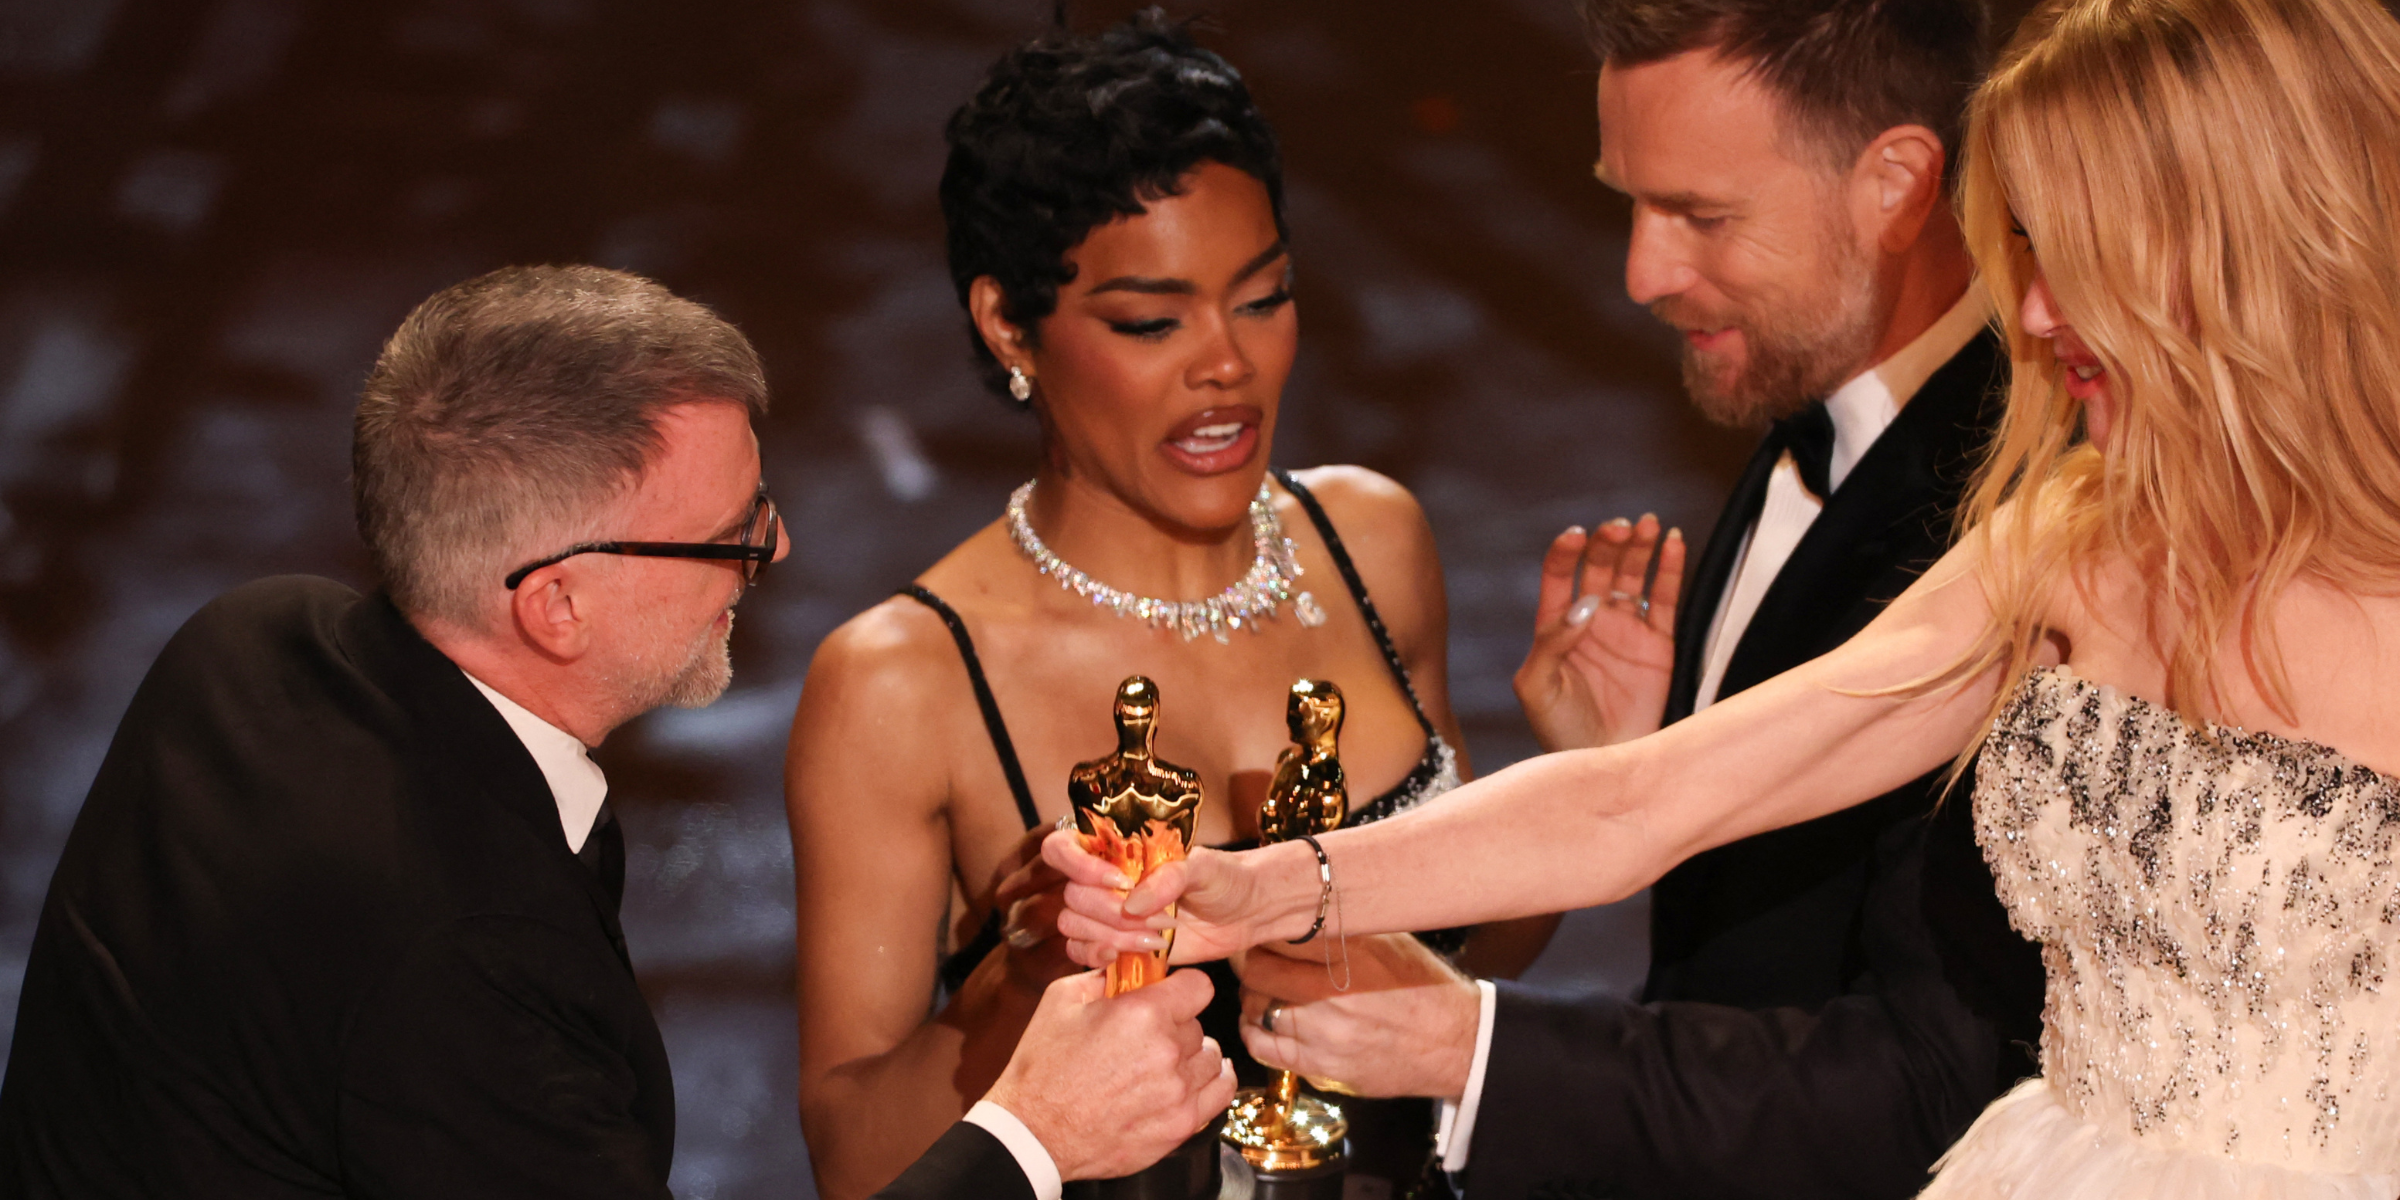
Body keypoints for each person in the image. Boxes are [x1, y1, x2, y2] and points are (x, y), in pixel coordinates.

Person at [1057, 0, 2400, 1195]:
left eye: (2081, 257)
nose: (2034, 314)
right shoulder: (2070, 541)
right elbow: (1642, 800)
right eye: (2028, 249)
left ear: (2254, 245)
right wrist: (1257, 888)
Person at [0, 264, 1233, 1200]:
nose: (779, 550)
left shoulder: (251, 642)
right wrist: (1032, 1140)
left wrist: (1014, 962)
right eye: (735, 533)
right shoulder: (464, 968)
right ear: (557, 604)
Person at [1230, 1, 2046, 1196]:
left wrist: (1469, 1046)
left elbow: (1933, 1089)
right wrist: (1637, 751)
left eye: (1701, 216)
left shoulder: (2020, 513)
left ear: (1898, 182)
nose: (1640, 273)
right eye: (1631, 200)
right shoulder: (1814, 415)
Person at [783, 11, 1552, 1197]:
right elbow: (854, 1162)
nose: (1227, 365)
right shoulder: (902, 681)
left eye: (1262, 296)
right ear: (1008, 327)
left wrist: (1591, 753)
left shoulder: (1374, 542)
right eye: (1151, 321)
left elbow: (1455, 963)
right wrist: (1027, 976)